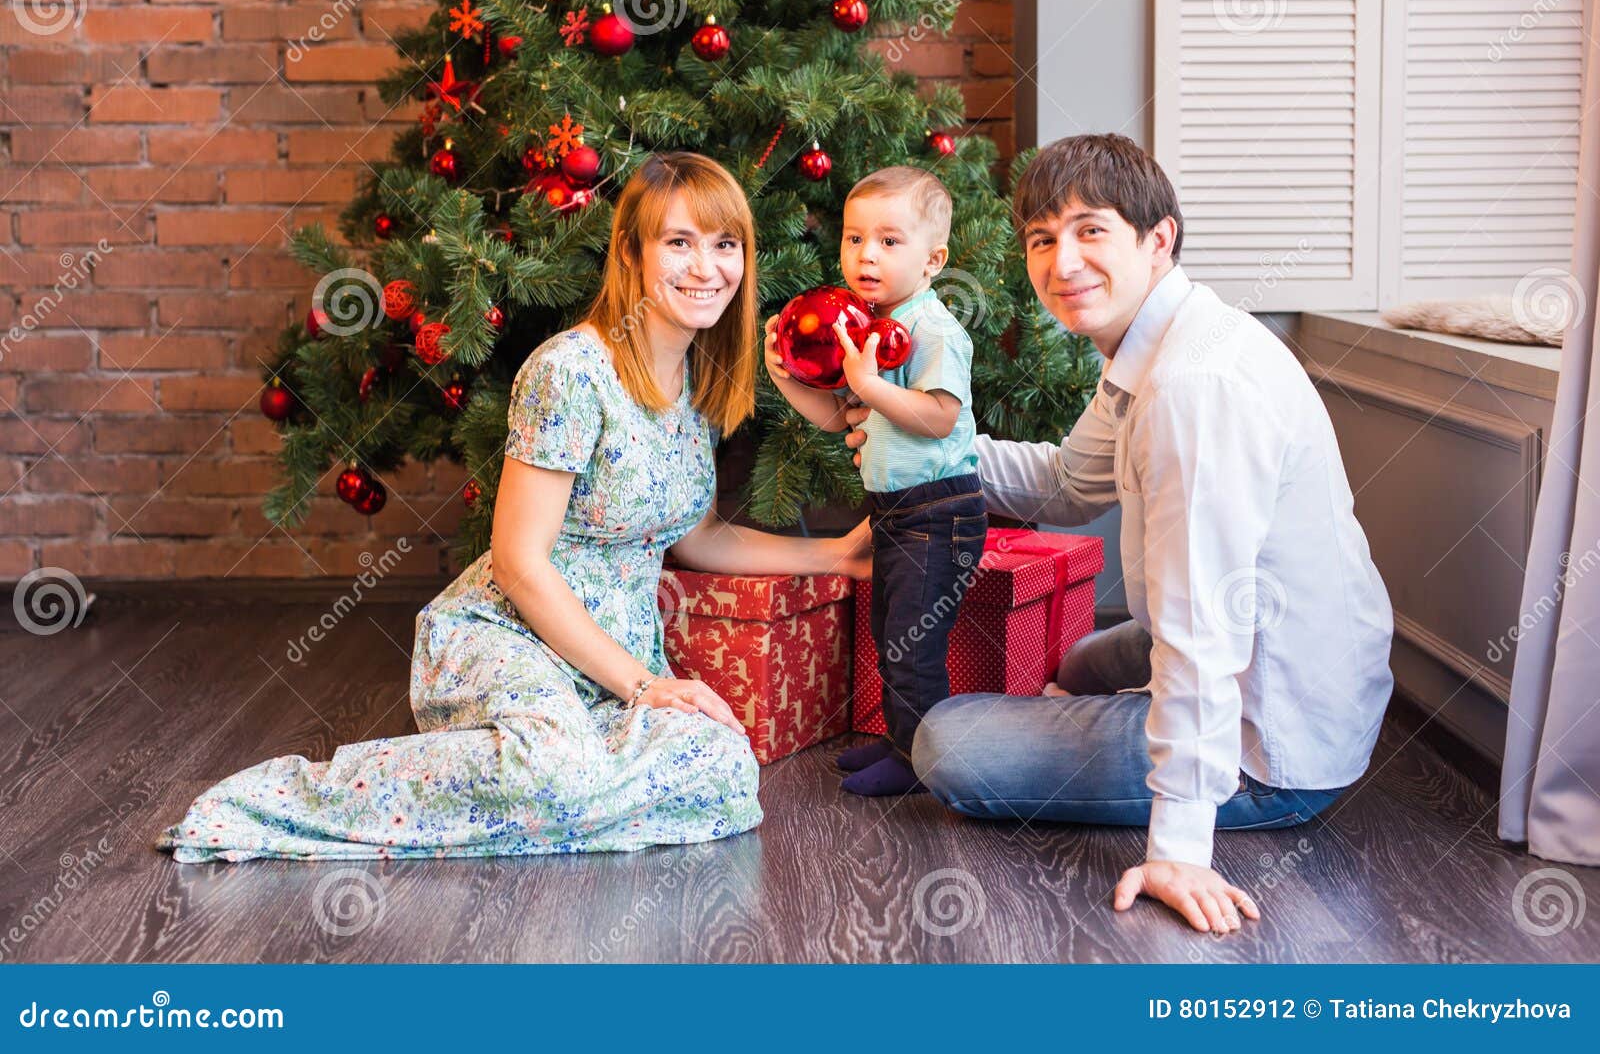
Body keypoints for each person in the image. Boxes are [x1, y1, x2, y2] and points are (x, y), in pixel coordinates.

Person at [158, 152, 870, 862]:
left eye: (725, 245)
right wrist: (644, 685)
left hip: (615, 652)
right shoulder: (569, 372)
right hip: (507, 635)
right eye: (678, 242)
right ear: (632, 253)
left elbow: (699, 533)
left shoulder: (695, 382)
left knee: (724, 772)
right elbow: (519, 563)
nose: (706, 267)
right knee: (558, 772)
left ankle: (563, 787)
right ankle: (298, 798)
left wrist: (836, 554)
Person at [844, 134, 1394, 933]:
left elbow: (1203, 634)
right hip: (1284, 653)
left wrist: (1177, 849)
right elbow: (1068, 484)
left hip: (1275, 744)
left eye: (1090, 230)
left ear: (1158, 238)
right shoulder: (1154, 344)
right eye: (1041, 238)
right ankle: (1108, 722)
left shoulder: (1191, 387)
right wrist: (924, 444)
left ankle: (1198, 788)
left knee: (948, 746)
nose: (1062, 261)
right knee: (1078, 661)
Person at [764, 167, 985, 797]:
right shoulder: (860, 326)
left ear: (932, 259)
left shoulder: (934, 330)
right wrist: (785, 377)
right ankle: (899, 741)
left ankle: (922, 761)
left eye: (890, 241)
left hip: (941, 513)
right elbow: (842, 419)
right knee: (891, 626)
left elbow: (942, 418)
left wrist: (868, 386)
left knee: (914, 643)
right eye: (854, 238)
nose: (867, 255)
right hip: (893, 513)